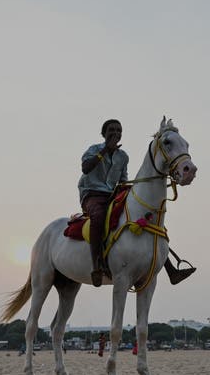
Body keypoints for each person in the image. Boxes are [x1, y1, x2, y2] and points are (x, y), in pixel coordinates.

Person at [78, 119, 196, 287]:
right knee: (98, 216)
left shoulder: (122, 156)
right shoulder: (94, 149)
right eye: (111, 130)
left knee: (148, 218)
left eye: (119, 131)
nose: (115, 133)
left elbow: (123, 180)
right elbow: (86, 168)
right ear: (103, 134)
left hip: (114, 193)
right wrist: (105, 150)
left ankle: (170, 269)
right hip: (93, 195)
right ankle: (96, 267)